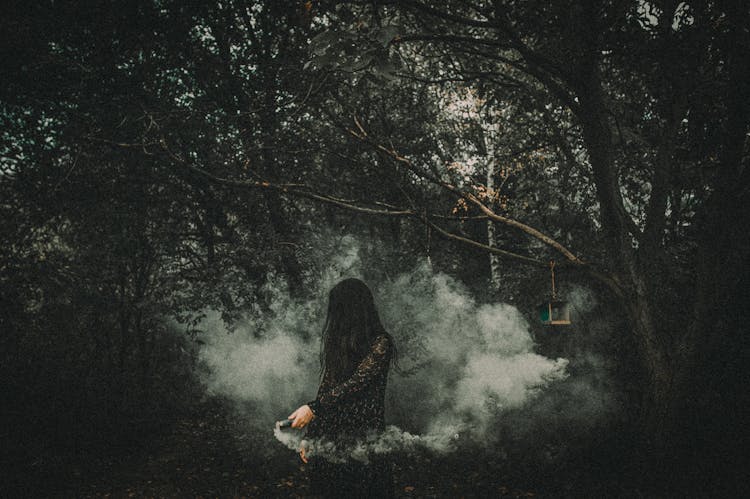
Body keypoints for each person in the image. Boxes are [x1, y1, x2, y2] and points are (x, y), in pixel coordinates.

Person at [287, 278, 395, 498]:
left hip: (364, 441)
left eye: (339, 309)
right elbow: (327, 387)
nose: (335, 317)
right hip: (331, 439)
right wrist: (312, 435)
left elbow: (356, 384)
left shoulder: (381, 343)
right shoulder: (338, 344)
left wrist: (313, 408)